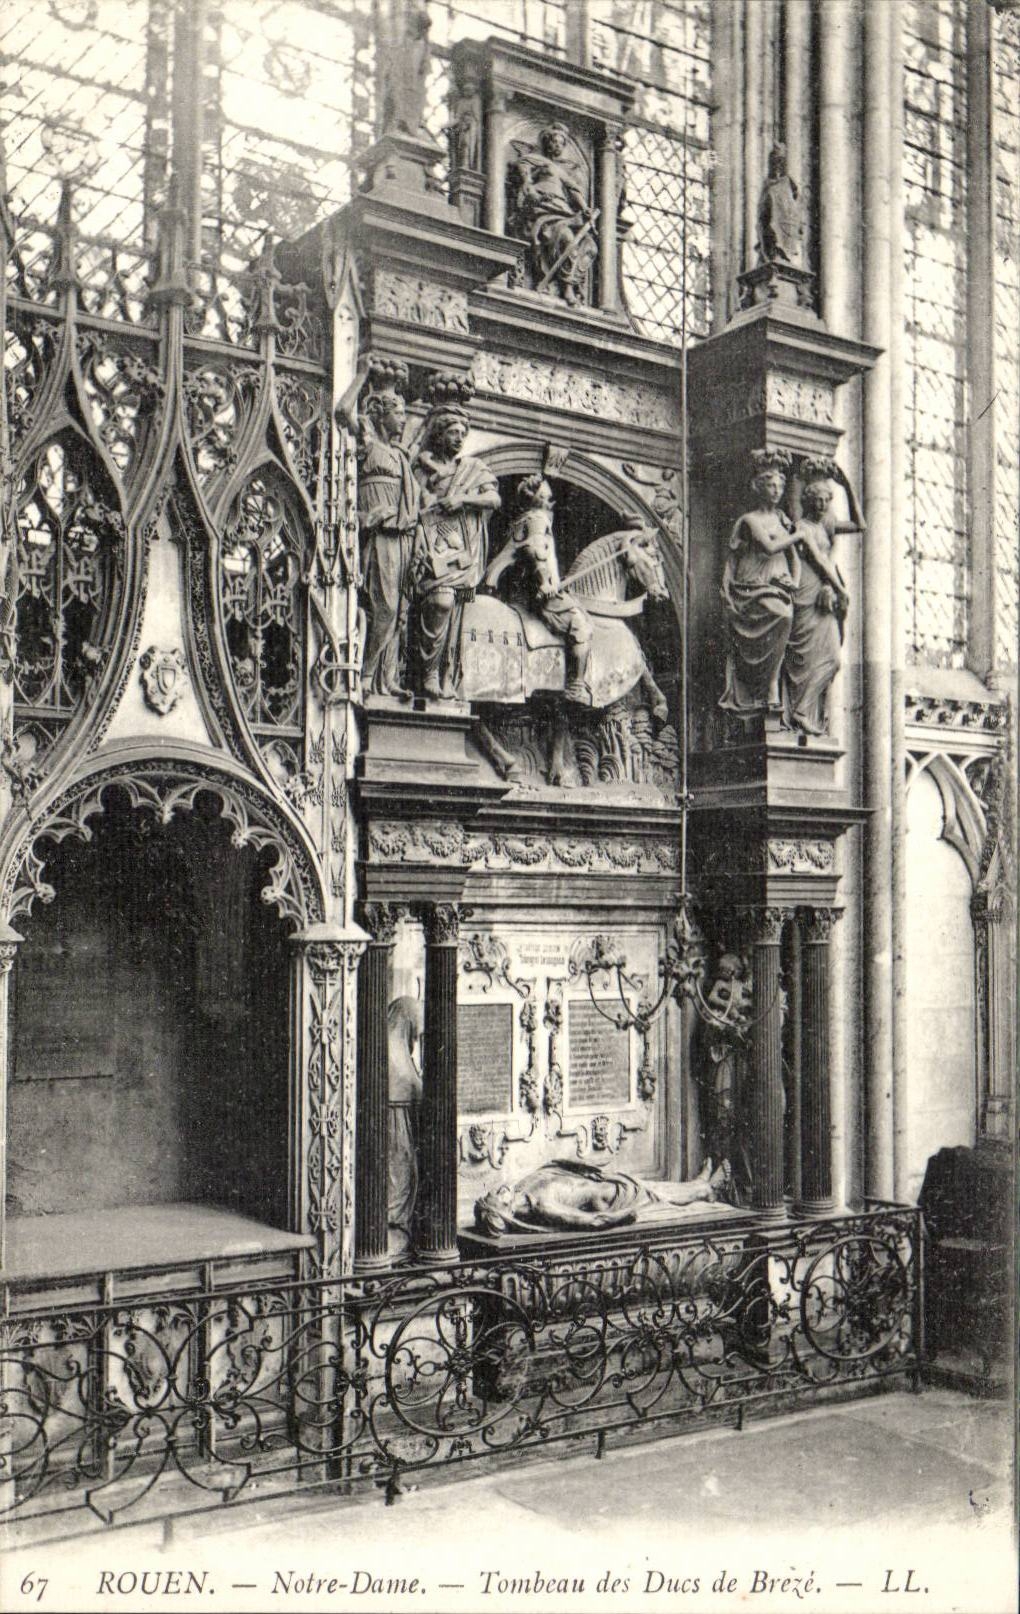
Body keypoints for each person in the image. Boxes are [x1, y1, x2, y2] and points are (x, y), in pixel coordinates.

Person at [412, 381, 500, 699]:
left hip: (460, 551)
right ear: (439, 433)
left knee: (451, 609)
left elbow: (492, 500)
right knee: (438, 602)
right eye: (453, 432)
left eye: (463, 432)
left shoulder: (473, 468)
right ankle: (425, 673)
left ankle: (439, 674)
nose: (459, 437)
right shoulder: (421, 466)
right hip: (429, 546)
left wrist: (462, 499)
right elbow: (413, 503)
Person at [482, 475, 593, 703]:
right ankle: (576, 686)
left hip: (514, 590)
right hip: (534, 593)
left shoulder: (520, 520)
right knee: (579, 624)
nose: (550, 502)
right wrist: (545, 582)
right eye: (546, 497)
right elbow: (535, 550)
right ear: (536, 499)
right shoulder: (537, 519)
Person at [783, 460, 863, 736]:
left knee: (833, 659)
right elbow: (818, 561)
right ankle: (800, 712)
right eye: (816, 500)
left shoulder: (827, 523)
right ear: (806, 501)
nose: (821, 506)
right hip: (808, 590)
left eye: (825, 501)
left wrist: (847, 487)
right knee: (806, 656)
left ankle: (804, 711)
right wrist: (840, 589)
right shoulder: (800, 527)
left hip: (824, 592)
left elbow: (859, 525)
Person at [718, 450, 800, 716]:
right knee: (781, 614)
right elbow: (769, 547)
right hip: (751, 584)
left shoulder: (782, 520)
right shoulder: (750, 520)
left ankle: (772, 682)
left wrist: (794, 582)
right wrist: (800, 535)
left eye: (779, 485)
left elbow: (794, 558)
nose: (775, 490)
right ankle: (767, 684)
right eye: (770, 485)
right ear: (758, 487)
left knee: (786, 615)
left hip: (777, 585)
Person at [354, 365, 420, 697]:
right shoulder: (368, 441)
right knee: (386, 607)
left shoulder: (399, 455)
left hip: (401, 536)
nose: (404, 419)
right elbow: (340, 412)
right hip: (380, 534)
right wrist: (362, 375)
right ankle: (366, 675)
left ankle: (387, 679)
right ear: (380, 414)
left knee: (400, 610)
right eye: (399, 412)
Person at [474, 1156, 732, 1237]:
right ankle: (703, 1189)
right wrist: (626, 1216)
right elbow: (593, 1221)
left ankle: (699, 1185)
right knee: (655, 1194)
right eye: (496, 1196)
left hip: (604, 1184)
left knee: (653, 1188)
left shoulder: (523, 1189)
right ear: (506, 1208)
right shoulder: (544, 1207)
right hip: (612, 1200)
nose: (498, 1189)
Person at [507, 123, 597, 305]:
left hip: (562, 210)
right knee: (567, 239)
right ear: (546, 142)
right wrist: (531, 191)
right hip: (544, 207)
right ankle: (567, 287)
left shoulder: (561, 170)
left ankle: (566, 283)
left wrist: (584, 207)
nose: (558, 146)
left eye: (561, 143)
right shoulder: (533, 159)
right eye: (555, 142)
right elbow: (523, 174)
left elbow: (574, 190)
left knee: (589, 246)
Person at [387, 996, 422, 1257]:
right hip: (395, 1123)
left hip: (397, 1120)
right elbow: (412, 1085)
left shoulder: (392, 1044)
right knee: (399, 1178)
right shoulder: (393, 1051)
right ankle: (393, 1239)